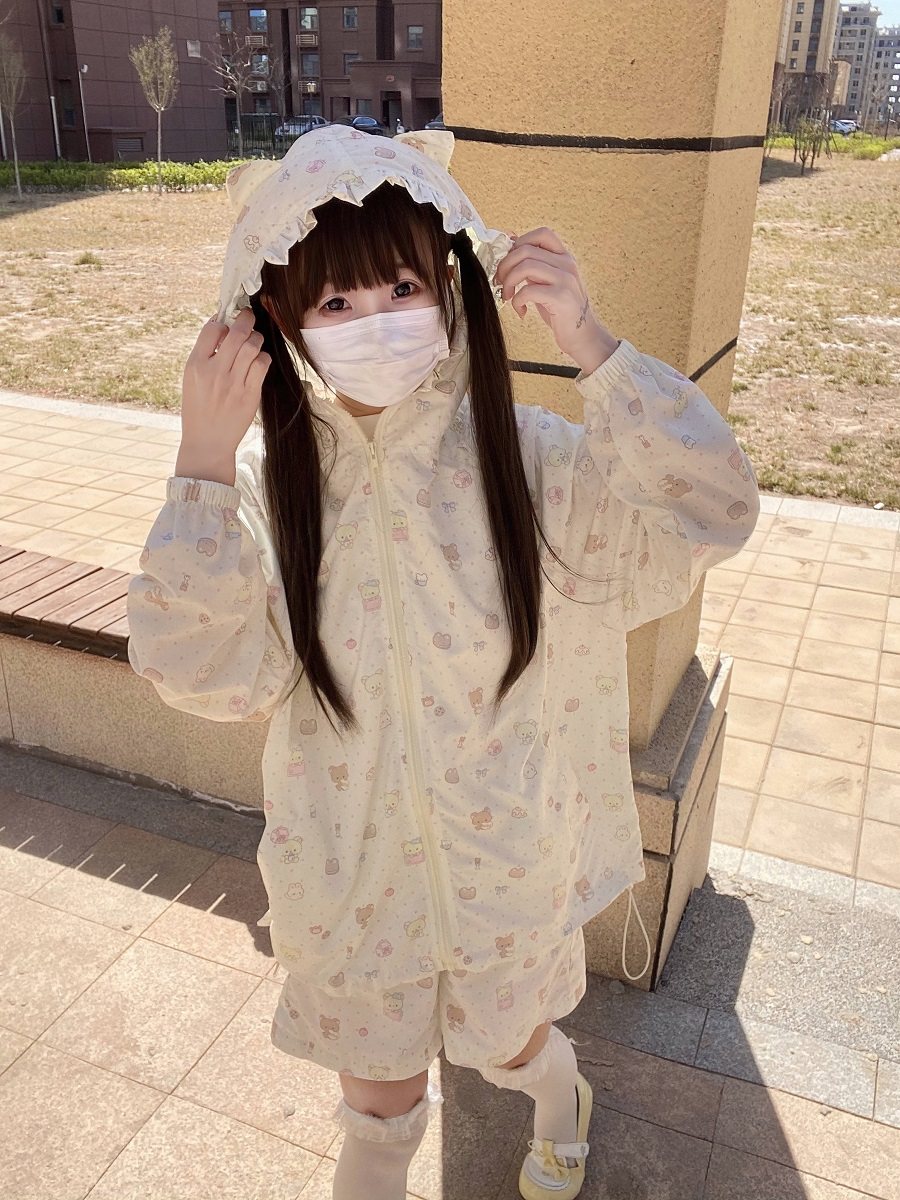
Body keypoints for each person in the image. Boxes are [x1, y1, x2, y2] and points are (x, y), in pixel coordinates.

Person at [126, 125, 760, 1200]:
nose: (375, 320)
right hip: (347, 879)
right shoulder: (265, 492)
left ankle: (560, 1099)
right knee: (378, 1120)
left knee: (512, 1051)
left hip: (505, 863)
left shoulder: (526, 460)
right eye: (335, 301)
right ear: (278, 318)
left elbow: (711, 512)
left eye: (402, 286)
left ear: (449, 285)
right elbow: (201, 671)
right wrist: (200, 460)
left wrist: (594, 344)